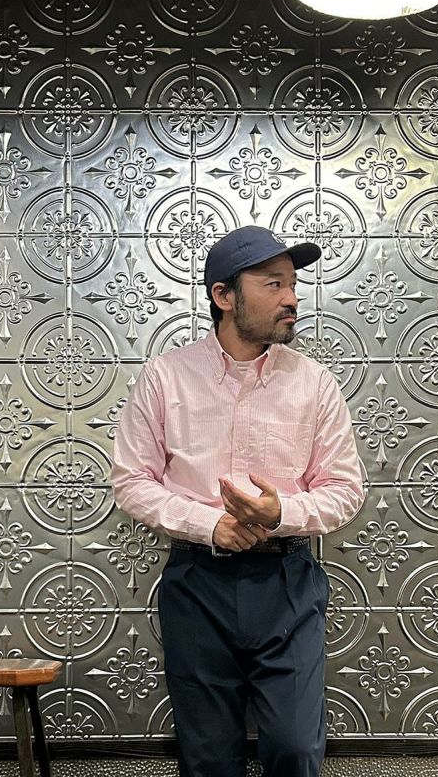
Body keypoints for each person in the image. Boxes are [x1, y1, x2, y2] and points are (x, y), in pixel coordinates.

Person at [111, 225, 365, 777]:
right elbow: (132, 480)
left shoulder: (314, 383)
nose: (291, 298)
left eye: (293, 285)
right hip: (197, 583)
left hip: (288, 582)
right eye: (273, 284)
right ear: (224, 296)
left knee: (295, 749)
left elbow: (345, 489)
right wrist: (210, 525)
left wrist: (281, 513)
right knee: (208, 759)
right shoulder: (166, 377)